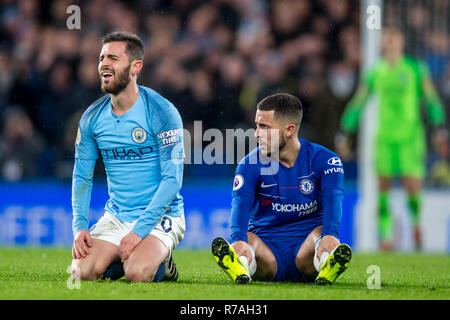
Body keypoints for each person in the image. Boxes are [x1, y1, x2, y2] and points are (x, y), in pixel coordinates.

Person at [70, 31, 185, 282]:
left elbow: (172, 179)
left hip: (161, 215)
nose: (104, 64)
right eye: (101, 58)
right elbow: (82, 175)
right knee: (80, 272)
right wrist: (79, 227)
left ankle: (161, 263)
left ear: (136, 67)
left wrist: (140, 231)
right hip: (117, 216)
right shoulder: (92, 118)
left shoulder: (161, 111)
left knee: (137, 273)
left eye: (113, 58)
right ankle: (124, 258)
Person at [212, 93, 351, 285]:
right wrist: (237, 239)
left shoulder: (325, 160)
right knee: (247, 240)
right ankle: (241, 264)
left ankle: (327, 262)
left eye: (264, 127)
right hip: (267, 251)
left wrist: (330, 234)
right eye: (257, 125)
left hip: (306, 250)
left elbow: (333, 200)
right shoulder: (250, 163)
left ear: (289, 130)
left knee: (322, 235)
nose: (256, 133)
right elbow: (240, 204)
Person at [337, 27, 447, 251]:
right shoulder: (376, 72)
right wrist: (345, 131)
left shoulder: (415, 69)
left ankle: (416, 225)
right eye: (385, 40)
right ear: (381, 44)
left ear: (401, 42)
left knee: (413, 187)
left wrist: (439, 128)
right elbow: (359, 102)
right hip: (385, 138)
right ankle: (385, 236)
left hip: (410, 137)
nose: (389, 44)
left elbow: (431, 99)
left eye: (392, 39)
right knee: (382, 187)